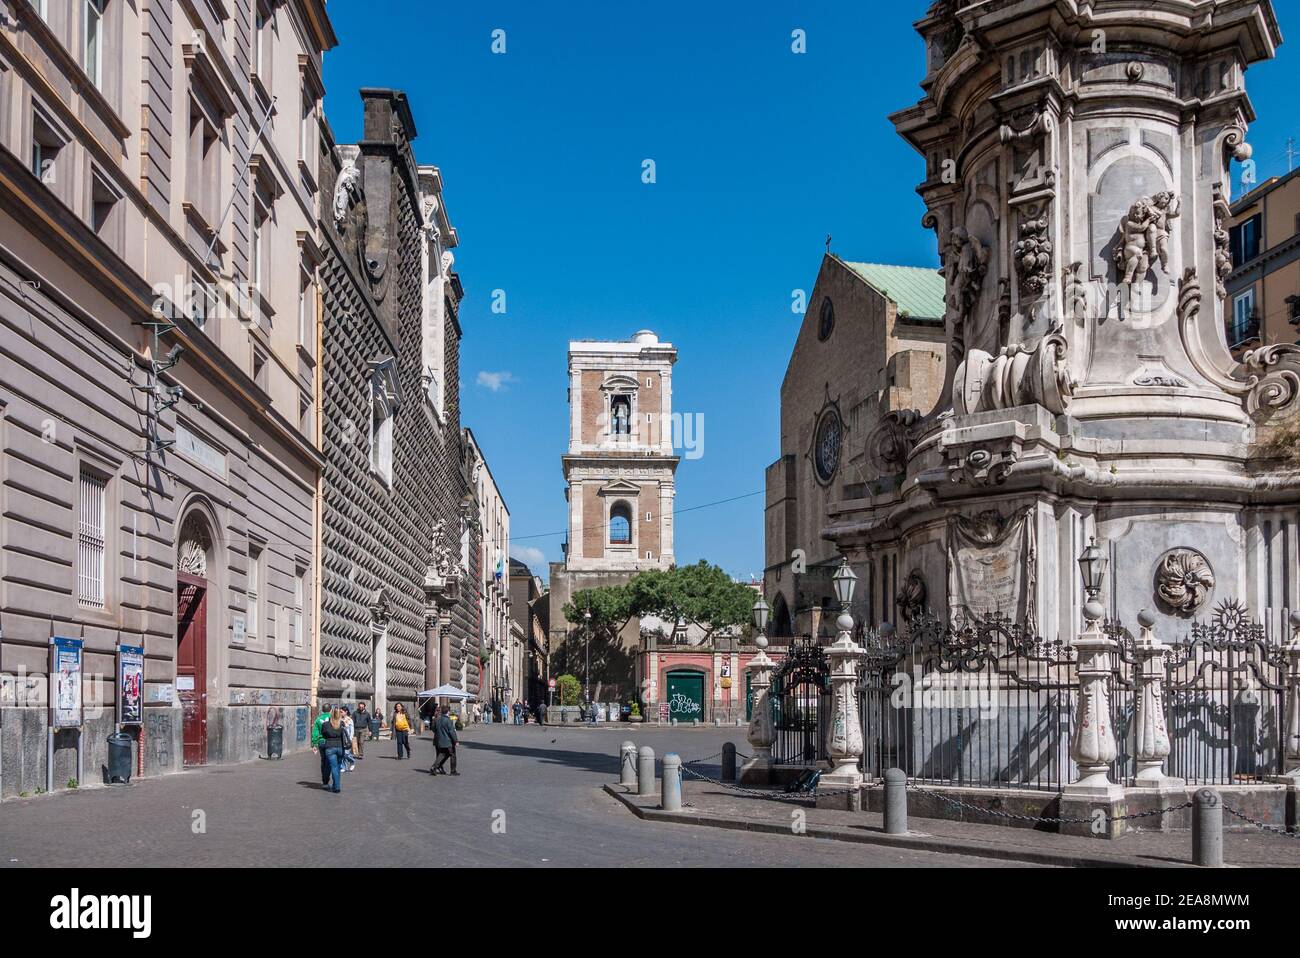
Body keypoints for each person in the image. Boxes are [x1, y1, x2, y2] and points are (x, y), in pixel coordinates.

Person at [318, 707, 347, 793]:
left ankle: (337, 787)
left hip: (330, 747)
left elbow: (324, 734)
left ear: (331, 714)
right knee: (337, 768)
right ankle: (335, 785)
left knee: (333, 767)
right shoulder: (342, 724)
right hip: (340, 747)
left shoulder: (326, 724)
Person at [432, 705, 459, 776]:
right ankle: (453, 771)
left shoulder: (437, 719)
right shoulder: (448, 720)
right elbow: (452, 732)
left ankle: (434, 767)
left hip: (439, 740)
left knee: (442, 754)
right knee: (453, 755)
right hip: (448, 741)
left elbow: (433, 729)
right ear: (448, 712)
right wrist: (456, 741)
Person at [311, 703, 332, 786]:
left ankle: (324, 781)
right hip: (330, 741)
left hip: (321, 742)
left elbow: (315, 732)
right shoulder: (332, 718)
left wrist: (314, 744)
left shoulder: (318, 719)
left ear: (322, 710)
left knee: (323, 761)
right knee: (329, 761)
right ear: (330, 710)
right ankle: (327, 780)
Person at [340, 707, 357, 772]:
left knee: (346, 753)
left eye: (341, 712)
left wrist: (350, 739)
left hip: (347, 739)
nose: (340, 713)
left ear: (346, 712)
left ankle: (352, 761)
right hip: (341, 739)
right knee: (342, 753)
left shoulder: (349, 720)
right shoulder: (339, 719)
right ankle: (344, 767)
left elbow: (352, 730)